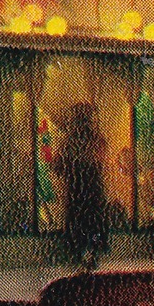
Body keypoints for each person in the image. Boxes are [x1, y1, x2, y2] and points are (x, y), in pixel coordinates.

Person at [57, 103, 110, 268]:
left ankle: (80, 251)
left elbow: (59, 166)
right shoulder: (96, 139)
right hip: (92, 187)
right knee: (94, 222)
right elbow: (102, 159)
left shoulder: (69, 142)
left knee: (79, 222)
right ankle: (93, 249)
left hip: (77, 188)